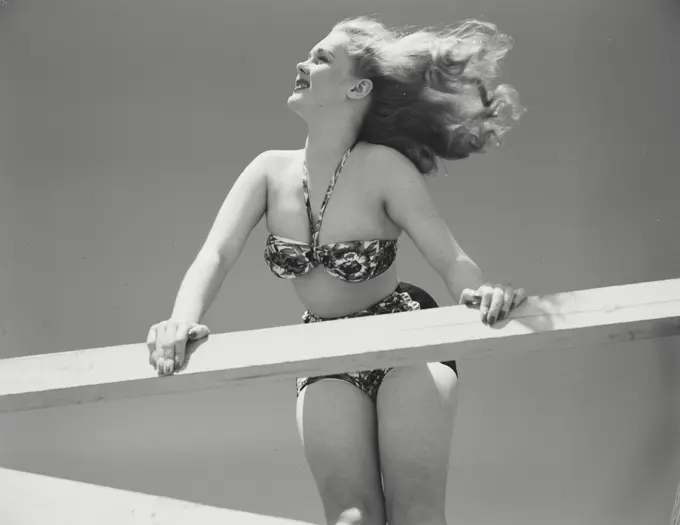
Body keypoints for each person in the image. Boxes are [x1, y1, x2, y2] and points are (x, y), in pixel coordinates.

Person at [147, 15, 527, 525]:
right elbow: (215, 253)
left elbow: (449, 257)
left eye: (321, 57)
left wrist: (480, 294)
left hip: (404, 338)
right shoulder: (267, 171)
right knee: (352, 518)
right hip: (322, 349)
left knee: (414, 513)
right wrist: (180, 318)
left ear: (358, 87)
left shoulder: (384, 168)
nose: (302, 64)